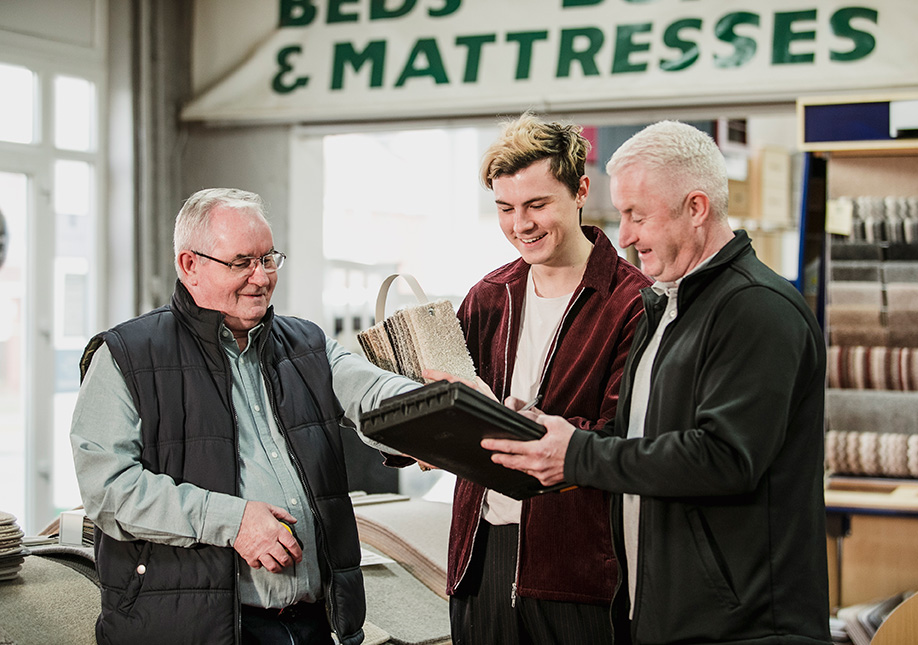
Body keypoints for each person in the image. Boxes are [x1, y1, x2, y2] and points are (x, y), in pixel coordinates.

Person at [481, 121, 832, 644]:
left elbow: (725, 459)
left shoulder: (758, 309)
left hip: (746, 628)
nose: (624, 236)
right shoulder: (664, 308)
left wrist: (578, 454)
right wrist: (544, 436)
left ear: (696, 208)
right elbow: (636, 443)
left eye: (637, 215)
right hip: (664, 616)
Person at [70, 188, 419, 645]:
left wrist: (440, 413)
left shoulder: (307, 345)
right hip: (194, 631)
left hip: (316, 624)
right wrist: (232, 521)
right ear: (189, 265)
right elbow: (109, 490)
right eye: (242, 263)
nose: (261, 277)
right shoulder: (127, 356)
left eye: (268, 259)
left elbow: (375, 392)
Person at [441, 112, 652, 644]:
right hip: (481, 559)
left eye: (537, 205)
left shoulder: (632, 302)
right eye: (505, 208)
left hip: (577, 570)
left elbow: (626, 437)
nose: (521, 224)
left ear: (580, 191)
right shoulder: (488, 297)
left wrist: (524, 426)